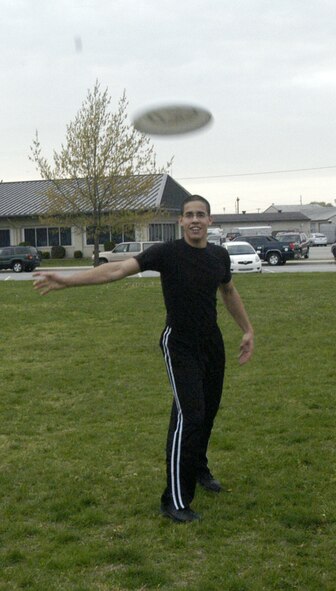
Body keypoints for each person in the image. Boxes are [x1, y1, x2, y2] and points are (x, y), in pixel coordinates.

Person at [33, 195, 254, 523]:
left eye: (201, 215)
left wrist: (247, 330)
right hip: (179, 344)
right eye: (189, 215)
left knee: (205, 414)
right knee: (189, 416)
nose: (195, 220)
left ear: (210, 221)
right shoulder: (166, 253)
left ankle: (197, 470)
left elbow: (229, 291)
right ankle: (174, 501)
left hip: (212, 344)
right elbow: (116, 270)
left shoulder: (218, 256)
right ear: (180, 222)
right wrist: (65, 280)